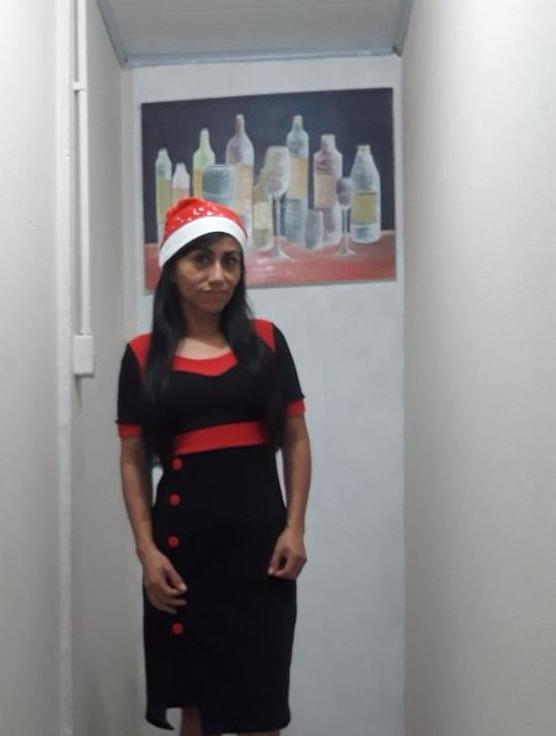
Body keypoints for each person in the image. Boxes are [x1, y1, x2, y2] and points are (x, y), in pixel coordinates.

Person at [116, 197, 312, 736]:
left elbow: (296, 440)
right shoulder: (141, 357)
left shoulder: (267, 342)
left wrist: (295, 527)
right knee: (197, 709)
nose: (218, 276)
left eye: (230, 260)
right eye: (201, 260)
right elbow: (132, 462)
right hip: (184, 555)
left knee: (261, 706)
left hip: (261, 554)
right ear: (172, 268)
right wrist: (146, 552)